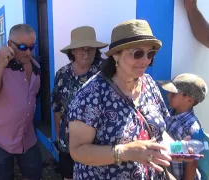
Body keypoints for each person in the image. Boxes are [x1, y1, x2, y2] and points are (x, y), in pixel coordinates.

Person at [67, 19, 174, 179]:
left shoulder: (149, 84)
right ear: (116, 55)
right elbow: (77, 150)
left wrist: (175, 148)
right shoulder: (92, 94)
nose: (146, 60)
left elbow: (159, 130)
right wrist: (124, 152)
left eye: (150, 53)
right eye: (137, 53)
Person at [0, 24, 42, 180]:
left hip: (26, 136)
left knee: (34, 173)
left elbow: (31, 97)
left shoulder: (36, 65)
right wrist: (1, 64)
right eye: (22, 46)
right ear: (9, 44)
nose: (28, 52)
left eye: (32, 47)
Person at [52, 26, 108, 179]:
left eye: (90, 48)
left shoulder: (105, 72)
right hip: (67, 140)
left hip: (97, 143)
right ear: (73, 51)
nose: (86, 52)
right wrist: (58, 138)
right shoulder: (62, 74)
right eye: (81, 49)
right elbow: (57, 107)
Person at [159, 73, 207, 180]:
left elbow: (192, 164)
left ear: (189, 100)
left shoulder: (191, 127)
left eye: (173, 93)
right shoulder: (169, 113)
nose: (168, 95)